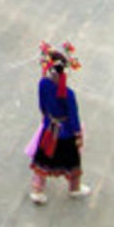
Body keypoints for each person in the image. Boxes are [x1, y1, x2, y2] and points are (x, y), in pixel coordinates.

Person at [29, 43, 90, 203]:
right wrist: (77, 133)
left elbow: (42, 105)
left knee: (43, 160)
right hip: (65, 133)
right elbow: (73, 117)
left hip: (49, 127)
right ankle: (74, 189)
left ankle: (37, 190)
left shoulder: (43, 84)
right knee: (73, 162)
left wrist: (46, 118)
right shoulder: (68, 94)